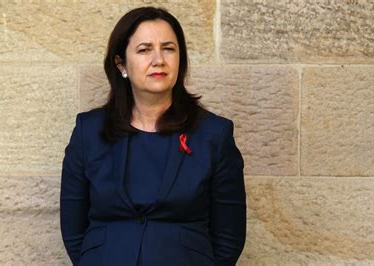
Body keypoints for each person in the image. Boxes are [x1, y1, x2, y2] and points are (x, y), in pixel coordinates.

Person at [60, 6, 246, 266]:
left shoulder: (213, 134)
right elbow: (73, 227)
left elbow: (229, 235)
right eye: (144, 49)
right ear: (121, 63)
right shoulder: (89, 131)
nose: (159, 59)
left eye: (168, 48)